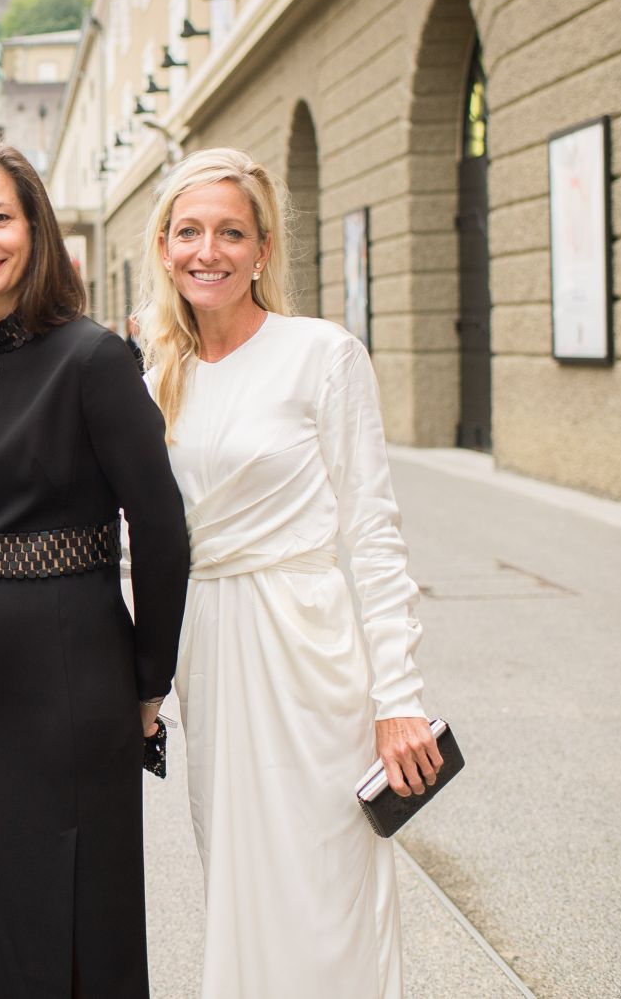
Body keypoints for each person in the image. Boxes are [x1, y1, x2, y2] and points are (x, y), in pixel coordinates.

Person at [137, 148, 443, 997]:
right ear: (164, 246)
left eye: (231, 232)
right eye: (189, 231)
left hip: (309, 647)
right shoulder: (161, 374)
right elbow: (152, 542)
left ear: (263, 249)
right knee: (238, 878)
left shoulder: (324, 354)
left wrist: (399, 696)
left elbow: (373, 532)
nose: (209, 251)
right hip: (213, 650)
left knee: (326, 878)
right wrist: (143, 678)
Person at [0, 141, 191, 998]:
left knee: (82, 891)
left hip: (77, 660)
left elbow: (161, 527)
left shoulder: (95, 358)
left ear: (36, 227)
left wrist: (148, 681)